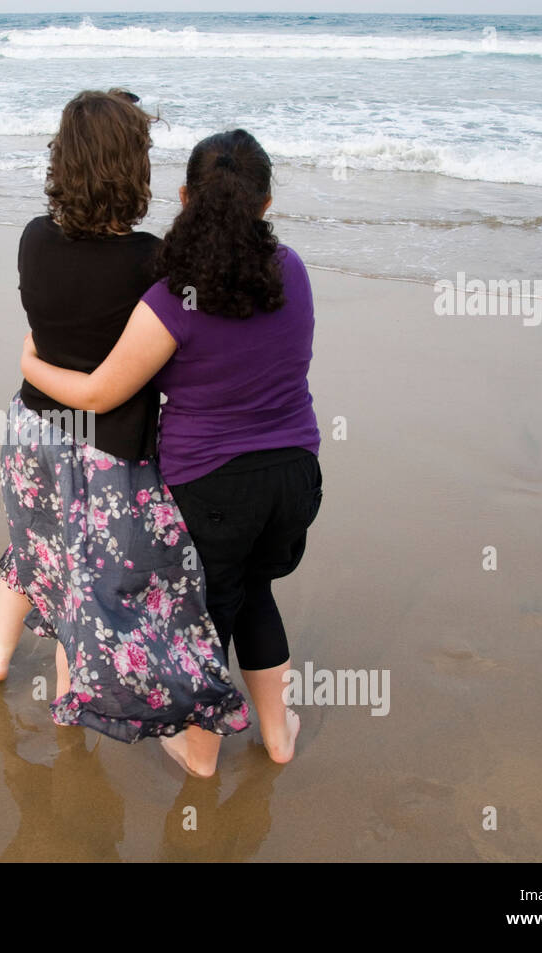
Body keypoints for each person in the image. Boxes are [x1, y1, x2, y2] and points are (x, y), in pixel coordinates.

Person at [21, 129, 321, 764]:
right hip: (295, 476)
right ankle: (278, 735)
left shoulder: (172, 299)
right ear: (266, 203)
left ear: (184, 196)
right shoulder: (290, 268)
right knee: (257, 591)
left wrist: (33, 366)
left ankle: (201, 755)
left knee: (205, 617)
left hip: (214, 487)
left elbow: (101, 393)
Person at [0, 90, 249, 776]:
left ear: (62, 164)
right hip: (108, 451)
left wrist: (34, 361)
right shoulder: (150, 261)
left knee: (35, 545)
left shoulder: (33, 238)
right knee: (123, 584)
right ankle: (118, 702)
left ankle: (0, 652)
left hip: (32, 426)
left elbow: (41, 330)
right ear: (135, 172)